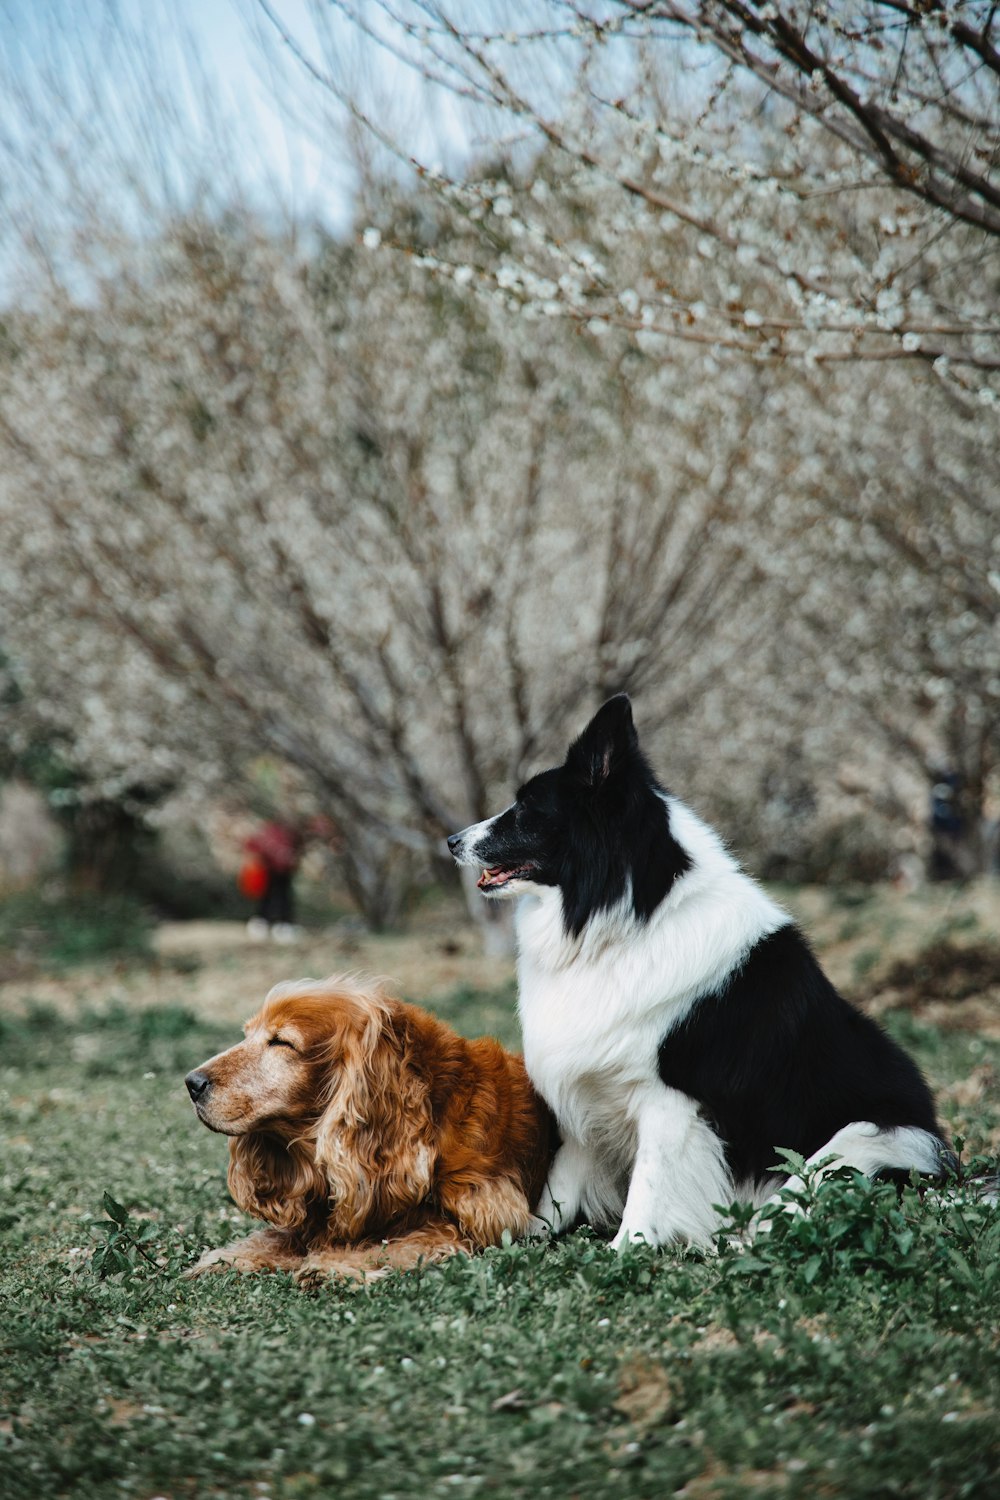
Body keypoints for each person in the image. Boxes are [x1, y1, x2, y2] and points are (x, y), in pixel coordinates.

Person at [243, 820, 303, 944]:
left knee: (284, 897)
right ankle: (263, 923)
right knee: (267, 897)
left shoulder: (290, 834)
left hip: (284, 872)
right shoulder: (268, 832)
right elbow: (253, 848)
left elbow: (297, 850)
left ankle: (284, 925)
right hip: (268, 871)